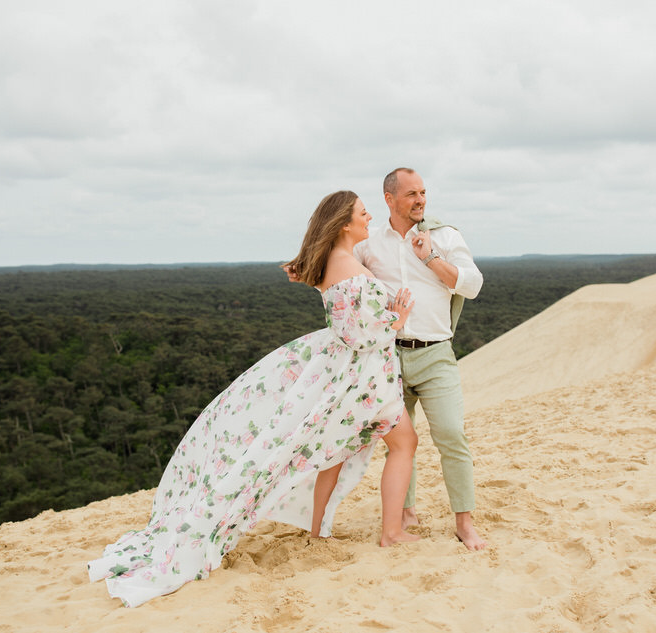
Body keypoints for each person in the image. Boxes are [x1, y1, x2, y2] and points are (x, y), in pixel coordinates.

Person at [88, 190, 420, 608]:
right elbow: (359, 334)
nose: (368, 215)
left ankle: (319, 529)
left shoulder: (331, 263)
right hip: (361, 378)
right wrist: (399, 318)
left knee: (334, 450)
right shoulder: (349, 267)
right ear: (342, 224)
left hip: (343, 377)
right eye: (361, 212)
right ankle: (391, 532)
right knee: (404, 443)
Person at [357, 167, 486, 550]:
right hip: (388, 357)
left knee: (451, 434)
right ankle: (406, 513)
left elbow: (473, 285)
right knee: (400, 443)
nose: (421, 200)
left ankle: (464, 521)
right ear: (389, 199)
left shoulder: (444, 236)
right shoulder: (370, 243)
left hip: (435, 354)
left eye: (423, 193)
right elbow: (343, 273)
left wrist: (430, 258)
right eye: (412, 194)